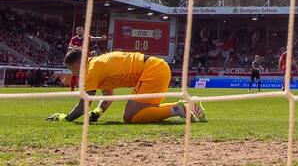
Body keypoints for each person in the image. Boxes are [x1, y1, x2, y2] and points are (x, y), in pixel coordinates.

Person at [46, 49, 205, 124]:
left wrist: (65, 118)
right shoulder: (95, 65)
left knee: (130, 117)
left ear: (77, 65)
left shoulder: (92, 71)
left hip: (152, 70)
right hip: (156, 68)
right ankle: (187, 106)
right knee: (142, 112)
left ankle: (178, 109)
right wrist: (98, 111)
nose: (73, 73)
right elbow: (108, 95)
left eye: (71, 69)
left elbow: (83, 106)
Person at [67, 26, 107, 91]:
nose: (80, 32)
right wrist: (76, 47)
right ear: (76, 32)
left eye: (81, 31)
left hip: (86, 58)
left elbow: (94, 38)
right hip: (77, 58)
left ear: (83, 31)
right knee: (75, 73)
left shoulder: (87, 37)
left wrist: (102, 38)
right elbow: (69, 48)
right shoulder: (74, 39)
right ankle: (72, 89)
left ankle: (87, 87)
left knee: (88, 72)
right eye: (79, 31)